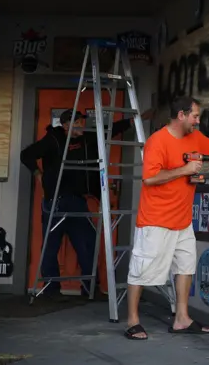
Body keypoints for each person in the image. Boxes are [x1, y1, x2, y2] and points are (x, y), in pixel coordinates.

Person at [124, 96, 209, 341]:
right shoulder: (157, 141)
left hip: (183, 220)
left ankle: (182, 319)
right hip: (156, 219)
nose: (198, 121)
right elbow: (149, 179)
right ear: (181, 115)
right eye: (195, 116)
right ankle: (132, 321)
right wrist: (183, 171)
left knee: (185, 267)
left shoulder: (194, 136)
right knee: (141, 270)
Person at [20, 107, 153, 300]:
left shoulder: (88, 138)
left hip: (78, 201)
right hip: (56, 201)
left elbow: (112, 129)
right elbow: (27, 155)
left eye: (82, 121)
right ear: (65, 125)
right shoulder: (53, 140)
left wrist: (135, 119)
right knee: (50, 246)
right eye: (76, 122)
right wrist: (38, 174)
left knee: (87, 243)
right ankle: (51, 289)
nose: (81, 125)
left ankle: (90, 289)